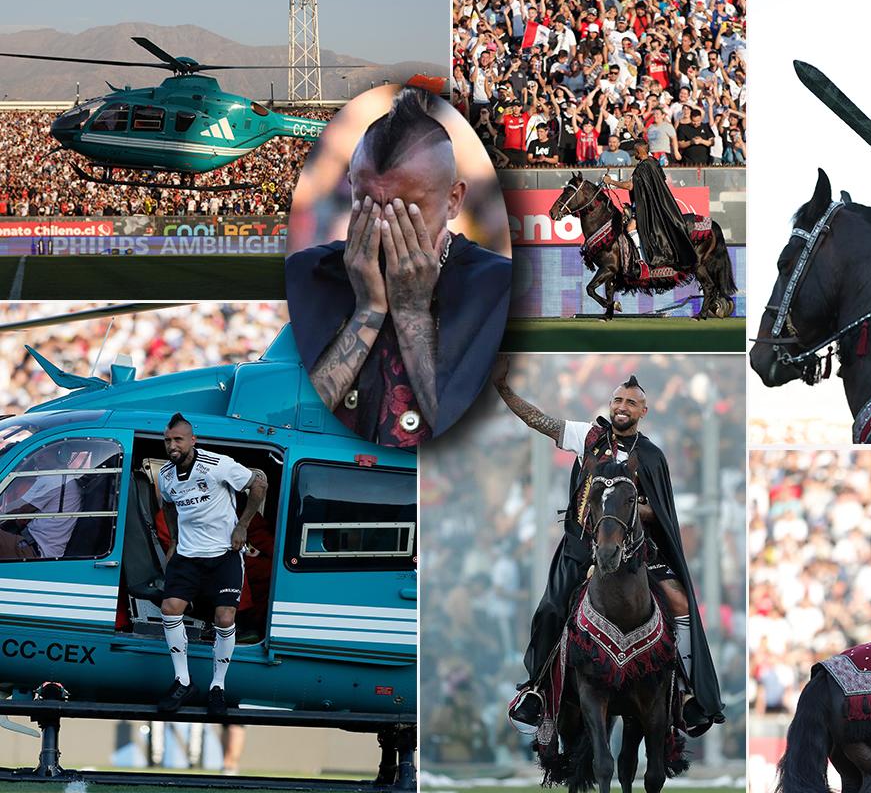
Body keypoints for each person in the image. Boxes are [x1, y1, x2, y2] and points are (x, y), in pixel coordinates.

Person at [492, 359, 724, 735]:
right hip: (583, 547)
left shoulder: (652, 456)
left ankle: (685, 693)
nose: (621, 407)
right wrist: (503, 389)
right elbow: (539, 420)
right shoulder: (588, 437)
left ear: (643, 411)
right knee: (551, 609)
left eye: (630, 402)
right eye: (617, 400)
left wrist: (627, 509)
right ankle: (535, 691)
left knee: (681, 603)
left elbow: (660, 512)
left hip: (637, 551)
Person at [286, 88, 512, 446]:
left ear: (453, 200)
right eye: (367, 203)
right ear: (351, 186)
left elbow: (467, 434)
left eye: (407, 208)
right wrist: (368, 310)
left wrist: (411, 312)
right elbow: (292, 420)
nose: (383, 223)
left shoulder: (496, 287)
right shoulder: (305, 274)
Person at [156, 413, 268, 715]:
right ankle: (182, 680)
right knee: (170, 609)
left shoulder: (218, 464)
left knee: (225, 618)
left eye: (178, 439)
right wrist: (173, 541)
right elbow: (168, 505)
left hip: (223, 555)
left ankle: (218, 686)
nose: (172, 445)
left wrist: (242, 526)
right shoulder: (165, 475)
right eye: (167, 440)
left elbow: (259, 484)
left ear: (193, 440)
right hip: (187, 555)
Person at [602, 139, 698, 269]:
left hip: (648, 207)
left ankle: (642, 261)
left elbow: (630, 186)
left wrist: (611, 181)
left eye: (635, 151)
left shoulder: (642, 167)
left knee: (630, 228)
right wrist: (634, 135)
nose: (634, 154)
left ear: (639, 152)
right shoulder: (653, 162)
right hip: (656, 204)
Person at [0, 448, 82, 560]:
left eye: (45, 452)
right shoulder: (64, 478)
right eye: (37, 452)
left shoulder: (55, 479)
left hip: (34, 549)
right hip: (36, 544)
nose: (38, 456)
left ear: (61, 455)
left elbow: (15, 510)